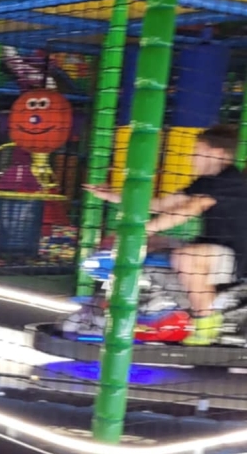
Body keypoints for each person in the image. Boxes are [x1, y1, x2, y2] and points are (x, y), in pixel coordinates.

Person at [85, 124, 247, 344]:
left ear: (217, 153)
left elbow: (191, 208)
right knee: (152, 244)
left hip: (235, 256)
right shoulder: (206, 181)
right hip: (212, 247)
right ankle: (148, 308)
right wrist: (113, 196)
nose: (191, 159)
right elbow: (161, 205)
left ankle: (206, 324)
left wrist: (146, 229)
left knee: (186, 256)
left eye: (197, 152)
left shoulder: (230, 180)